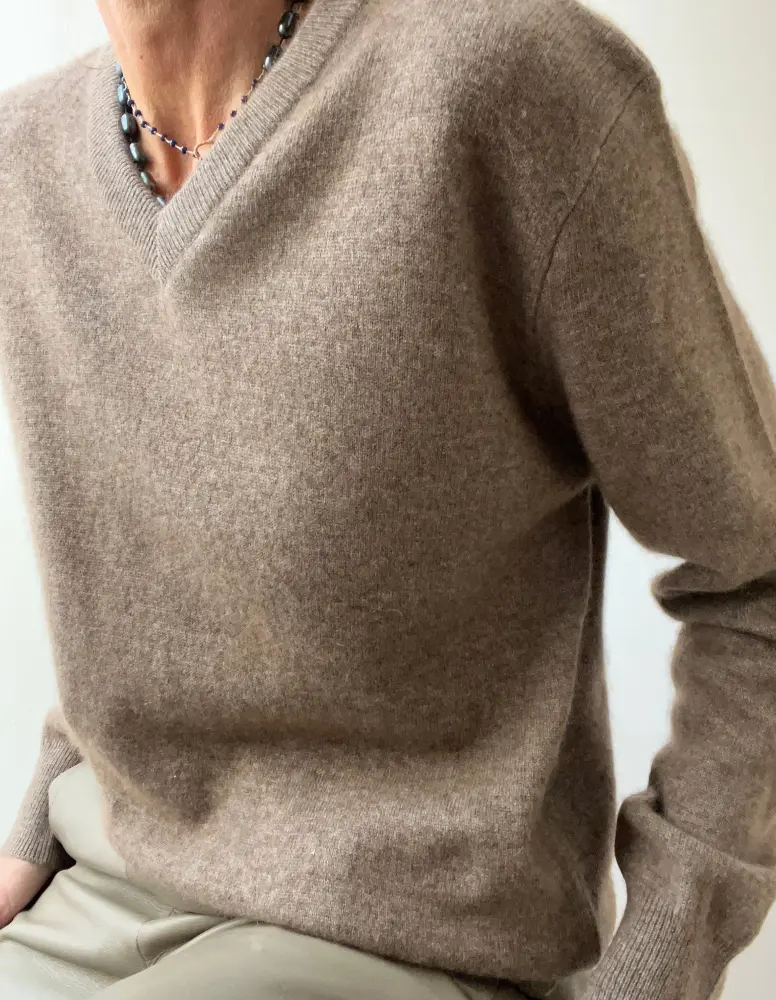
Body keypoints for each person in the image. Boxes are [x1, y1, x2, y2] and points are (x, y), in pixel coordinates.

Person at [0, 0, 774, 997]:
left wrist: (657, 964)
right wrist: (35, 828)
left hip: (402, 941)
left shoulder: (506, 84)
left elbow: (757, 572)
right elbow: (168, 592)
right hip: (99, 892)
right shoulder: (24, 161)